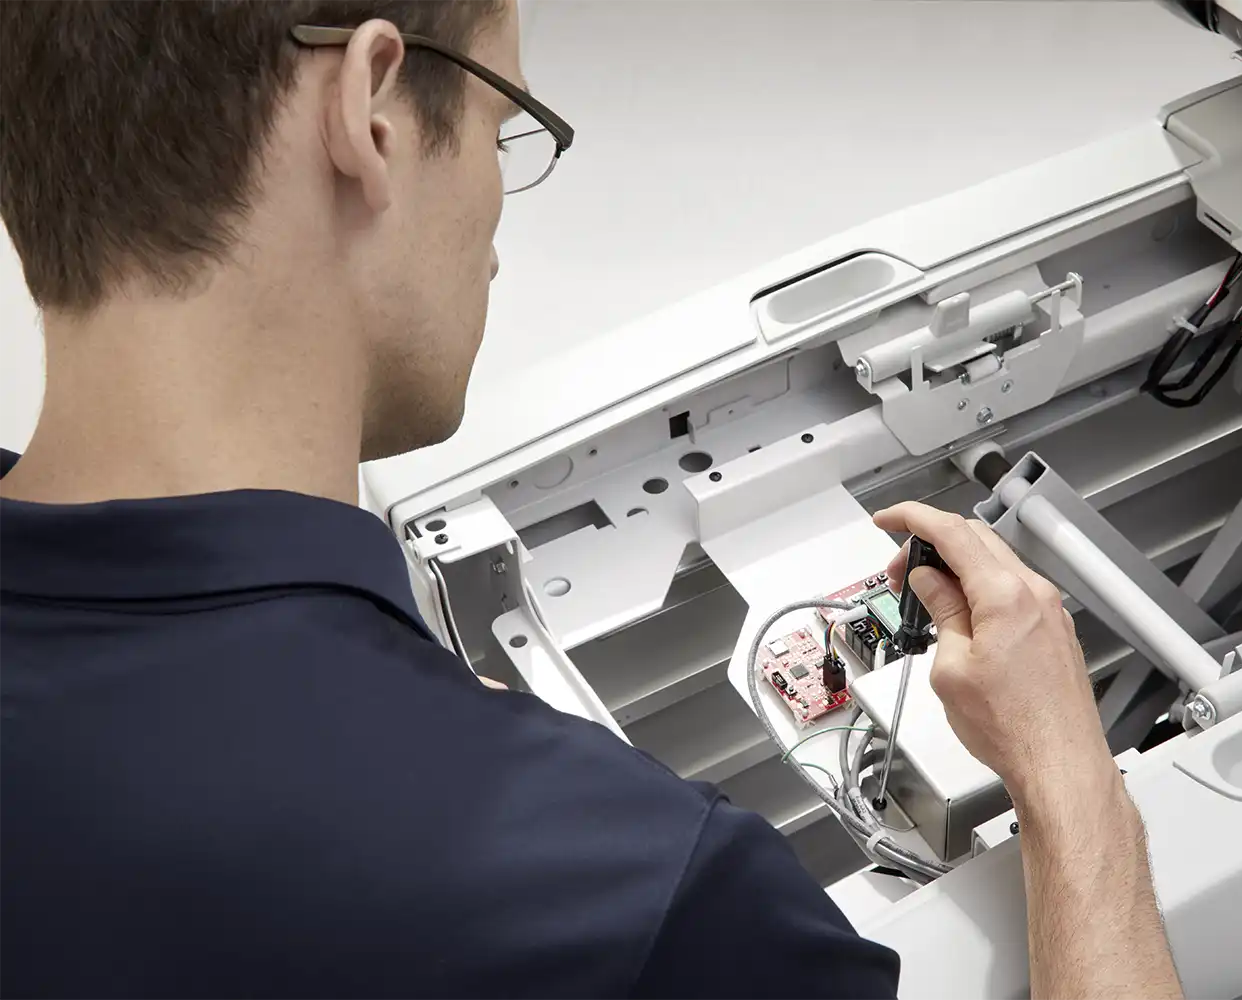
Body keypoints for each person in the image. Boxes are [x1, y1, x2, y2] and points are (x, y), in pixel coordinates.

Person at [0, 3, 1182, 998]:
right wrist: (1073, 783)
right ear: (370, 112)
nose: (498, 217)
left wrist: (388, 715)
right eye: (503, 128)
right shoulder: (648, 906)